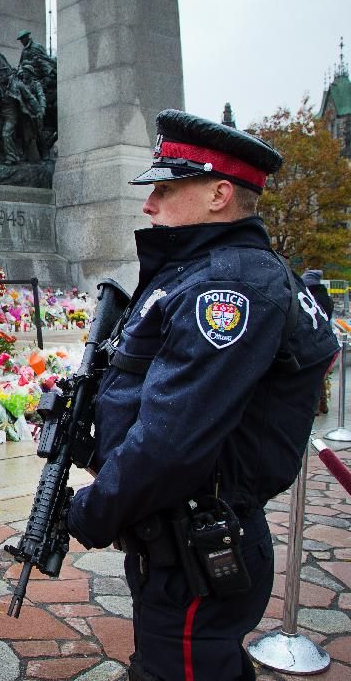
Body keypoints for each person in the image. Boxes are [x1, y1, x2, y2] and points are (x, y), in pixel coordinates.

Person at [65, 109, 339, 681]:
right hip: (186, 534)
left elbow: (173, 440)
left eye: (165, 189)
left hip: (197, 545)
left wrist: (91, 511)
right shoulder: (205, 271)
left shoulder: (227, 285)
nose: (149, 204)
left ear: (219, 194)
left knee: (181, 666)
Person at [302, 269, 335, 413]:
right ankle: (323, 404)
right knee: (321, 375)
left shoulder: (307, 297)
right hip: (325, 340)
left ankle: (315, 407)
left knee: (311, 378)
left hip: (309, 339)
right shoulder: (326, 297)